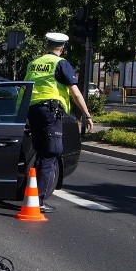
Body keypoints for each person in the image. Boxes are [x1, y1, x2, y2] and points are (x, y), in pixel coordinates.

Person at [25, 32, 93, 213]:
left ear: (46, 45)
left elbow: (25, 89)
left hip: (33, 112)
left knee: (41, 153)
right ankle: (38, 200)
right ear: (62, 48)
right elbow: (75, 93)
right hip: (50, 112)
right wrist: (86, 114)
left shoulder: (34, 63)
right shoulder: (61, 64)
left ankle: (33, 195)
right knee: (51, 153)